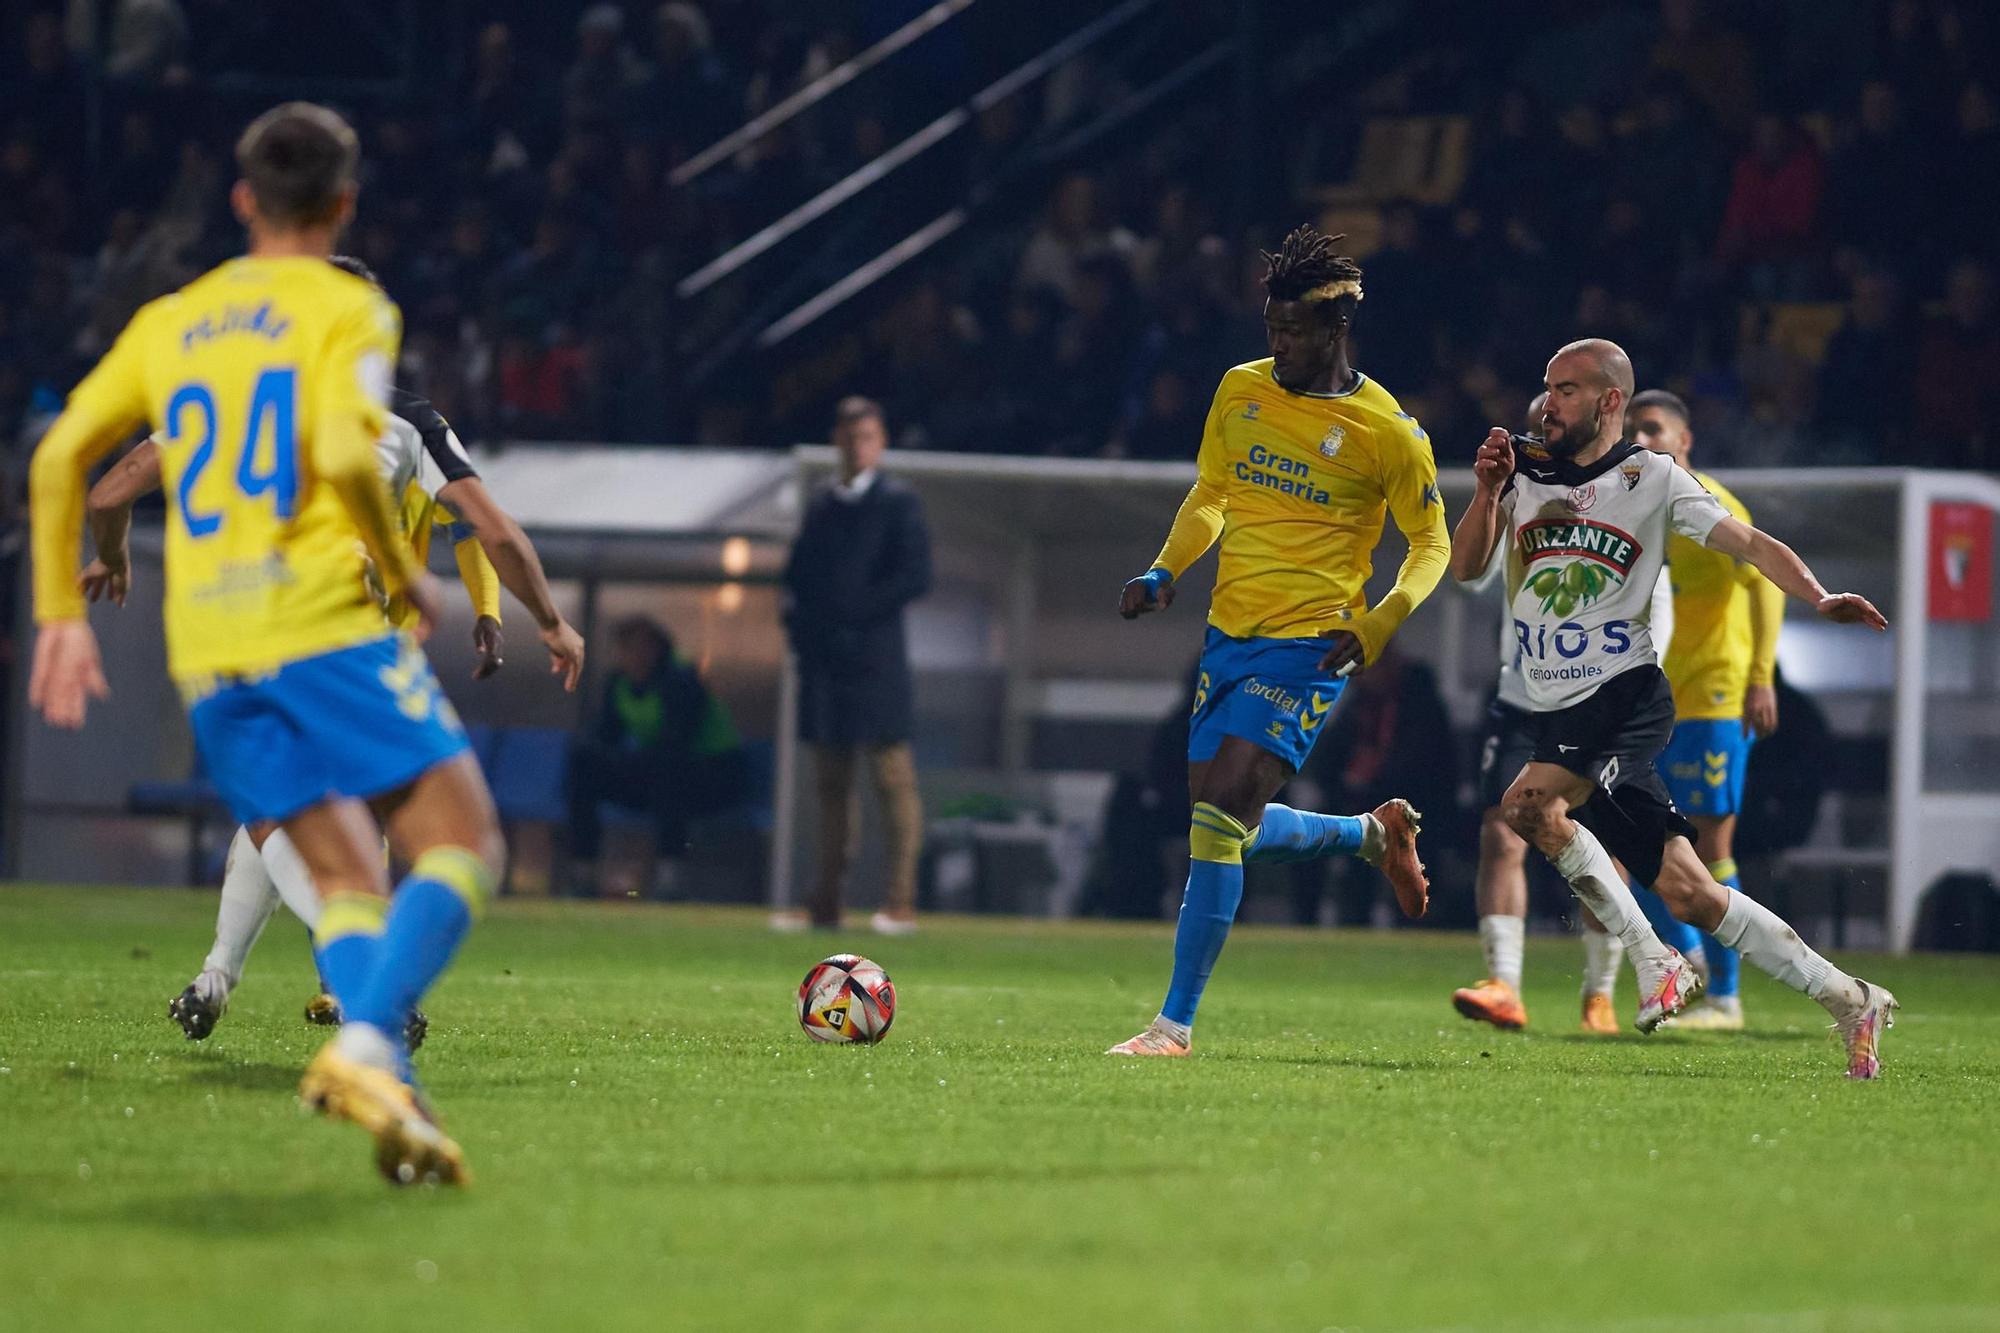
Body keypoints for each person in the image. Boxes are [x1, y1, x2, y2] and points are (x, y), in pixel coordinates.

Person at [29, 103, 499, 1182]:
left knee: (335, 868)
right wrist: (410, 571)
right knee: (466, 839)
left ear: (241, 200)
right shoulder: (346, 316)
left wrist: (68, 607)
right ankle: (368, 1046)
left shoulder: (175, 322)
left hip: (211, 647)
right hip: (319, 627)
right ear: (342, 203)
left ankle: (387, 1087)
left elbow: (69, 464)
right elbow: (342, 452)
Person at [77, 256, 587, 1042]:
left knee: (274, 817)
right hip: (332, 636)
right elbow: (492, 527)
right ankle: (366, 979)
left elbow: (107, 491)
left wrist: (109, 554)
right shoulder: (399, 416)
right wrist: (548, 620)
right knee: (449, 833)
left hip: (218, 638)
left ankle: (219, 977)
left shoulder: (224, 392)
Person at [1447, 337, 1899, 1078]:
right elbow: (1467, 569)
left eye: (1566, 389)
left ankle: (1655, 961)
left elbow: (1750, 544)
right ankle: (1851, 997)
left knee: (1526, 807)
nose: (1548, 401)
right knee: (1691, 891)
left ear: (1610, 401)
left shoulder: (1651, 478)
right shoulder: (1523, 472)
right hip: (1558, 708)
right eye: (1546, 387)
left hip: (1625, 695)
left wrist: (1819, 596)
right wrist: (1486, 491)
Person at [1105, 224, 1443, 1058]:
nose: (1281, 344)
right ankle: (1371, 835)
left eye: (1295, 331)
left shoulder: (1387, 431)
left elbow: (1431, 544)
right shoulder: (1240, 390)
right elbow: (1213, 492)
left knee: (1218, 815)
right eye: (1273, 329)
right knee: (1224, 820)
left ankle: (1171, 1026)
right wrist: (1165, 570)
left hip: (1313, 643)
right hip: (1230, 634)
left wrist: (1377, 623)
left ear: (1337, 330)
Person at [1448, 391, 1673, 1035]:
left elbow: (1652, 619)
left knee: (1608, 841)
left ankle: (1599, 991)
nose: (1542, 443)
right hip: (1522, 700)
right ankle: (1504, 984)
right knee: (1500, 831)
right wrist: (1488, 493)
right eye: (1534, 435)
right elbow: (1471, 569)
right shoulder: (1520, 498)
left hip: (1598, 702)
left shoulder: (1630, 508)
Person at [1626, 388, 1783, 1031]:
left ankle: (1726, 996)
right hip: (1656, 699)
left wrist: (1760, 676)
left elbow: (1763, 581)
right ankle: (1686, 965)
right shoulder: (1635, 507)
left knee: (1710, 844)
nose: (1642, 440)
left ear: (1684, 441)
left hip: (1716, 692)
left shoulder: (1709, 503)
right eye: (1633, 430)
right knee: (1636, 846)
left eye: (1655, 429)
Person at [781, 397, 932, 933]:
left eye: (867, 436)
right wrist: (802, 631)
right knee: (830, 784)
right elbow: (797, 577)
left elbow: (916, 576)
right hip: (826, 665)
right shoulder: (823, 504)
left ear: (881, 441)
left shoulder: (898, 504)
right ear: (836, 441)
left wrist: (853, 614)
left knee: (893, 779)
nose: (857, 447)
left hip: (876, 664)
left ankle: (901, 901)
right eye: (849, 437)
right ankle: (825, 901)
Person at [567, 616, 744, 895]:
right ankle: (583, 873)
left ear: (657, 649)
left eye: (641, 648)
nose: (634, 657)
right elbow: (606, 735)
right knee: (584, 765)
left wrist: (633, 764)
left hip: (715, 777)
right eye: (626, 649)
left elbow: (677, 743)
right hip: (656, 774)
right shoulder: (620, 684)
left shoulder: (682, 679)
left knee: (669, 772)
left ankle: (669, 878)